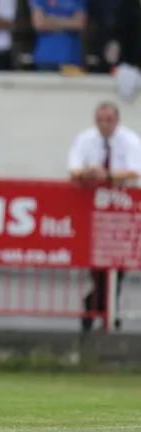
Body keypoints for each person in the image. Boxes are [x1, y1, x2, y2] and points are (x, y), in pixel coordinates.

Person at [68, 101, 141, 332]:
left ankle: (98, 309)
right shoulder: (85, 139)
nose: (104, 125)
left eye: (109, 120)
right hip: (94, 214)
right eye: (101, 120)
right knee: (97, 269)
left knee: (117, 269)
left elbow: (134, 171)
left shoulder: (130, 141)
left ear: (116, 121)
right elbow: (73, 169)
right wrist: (89, 174)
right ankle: (106, 313)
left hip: (121, 215)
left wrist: (107, 175)